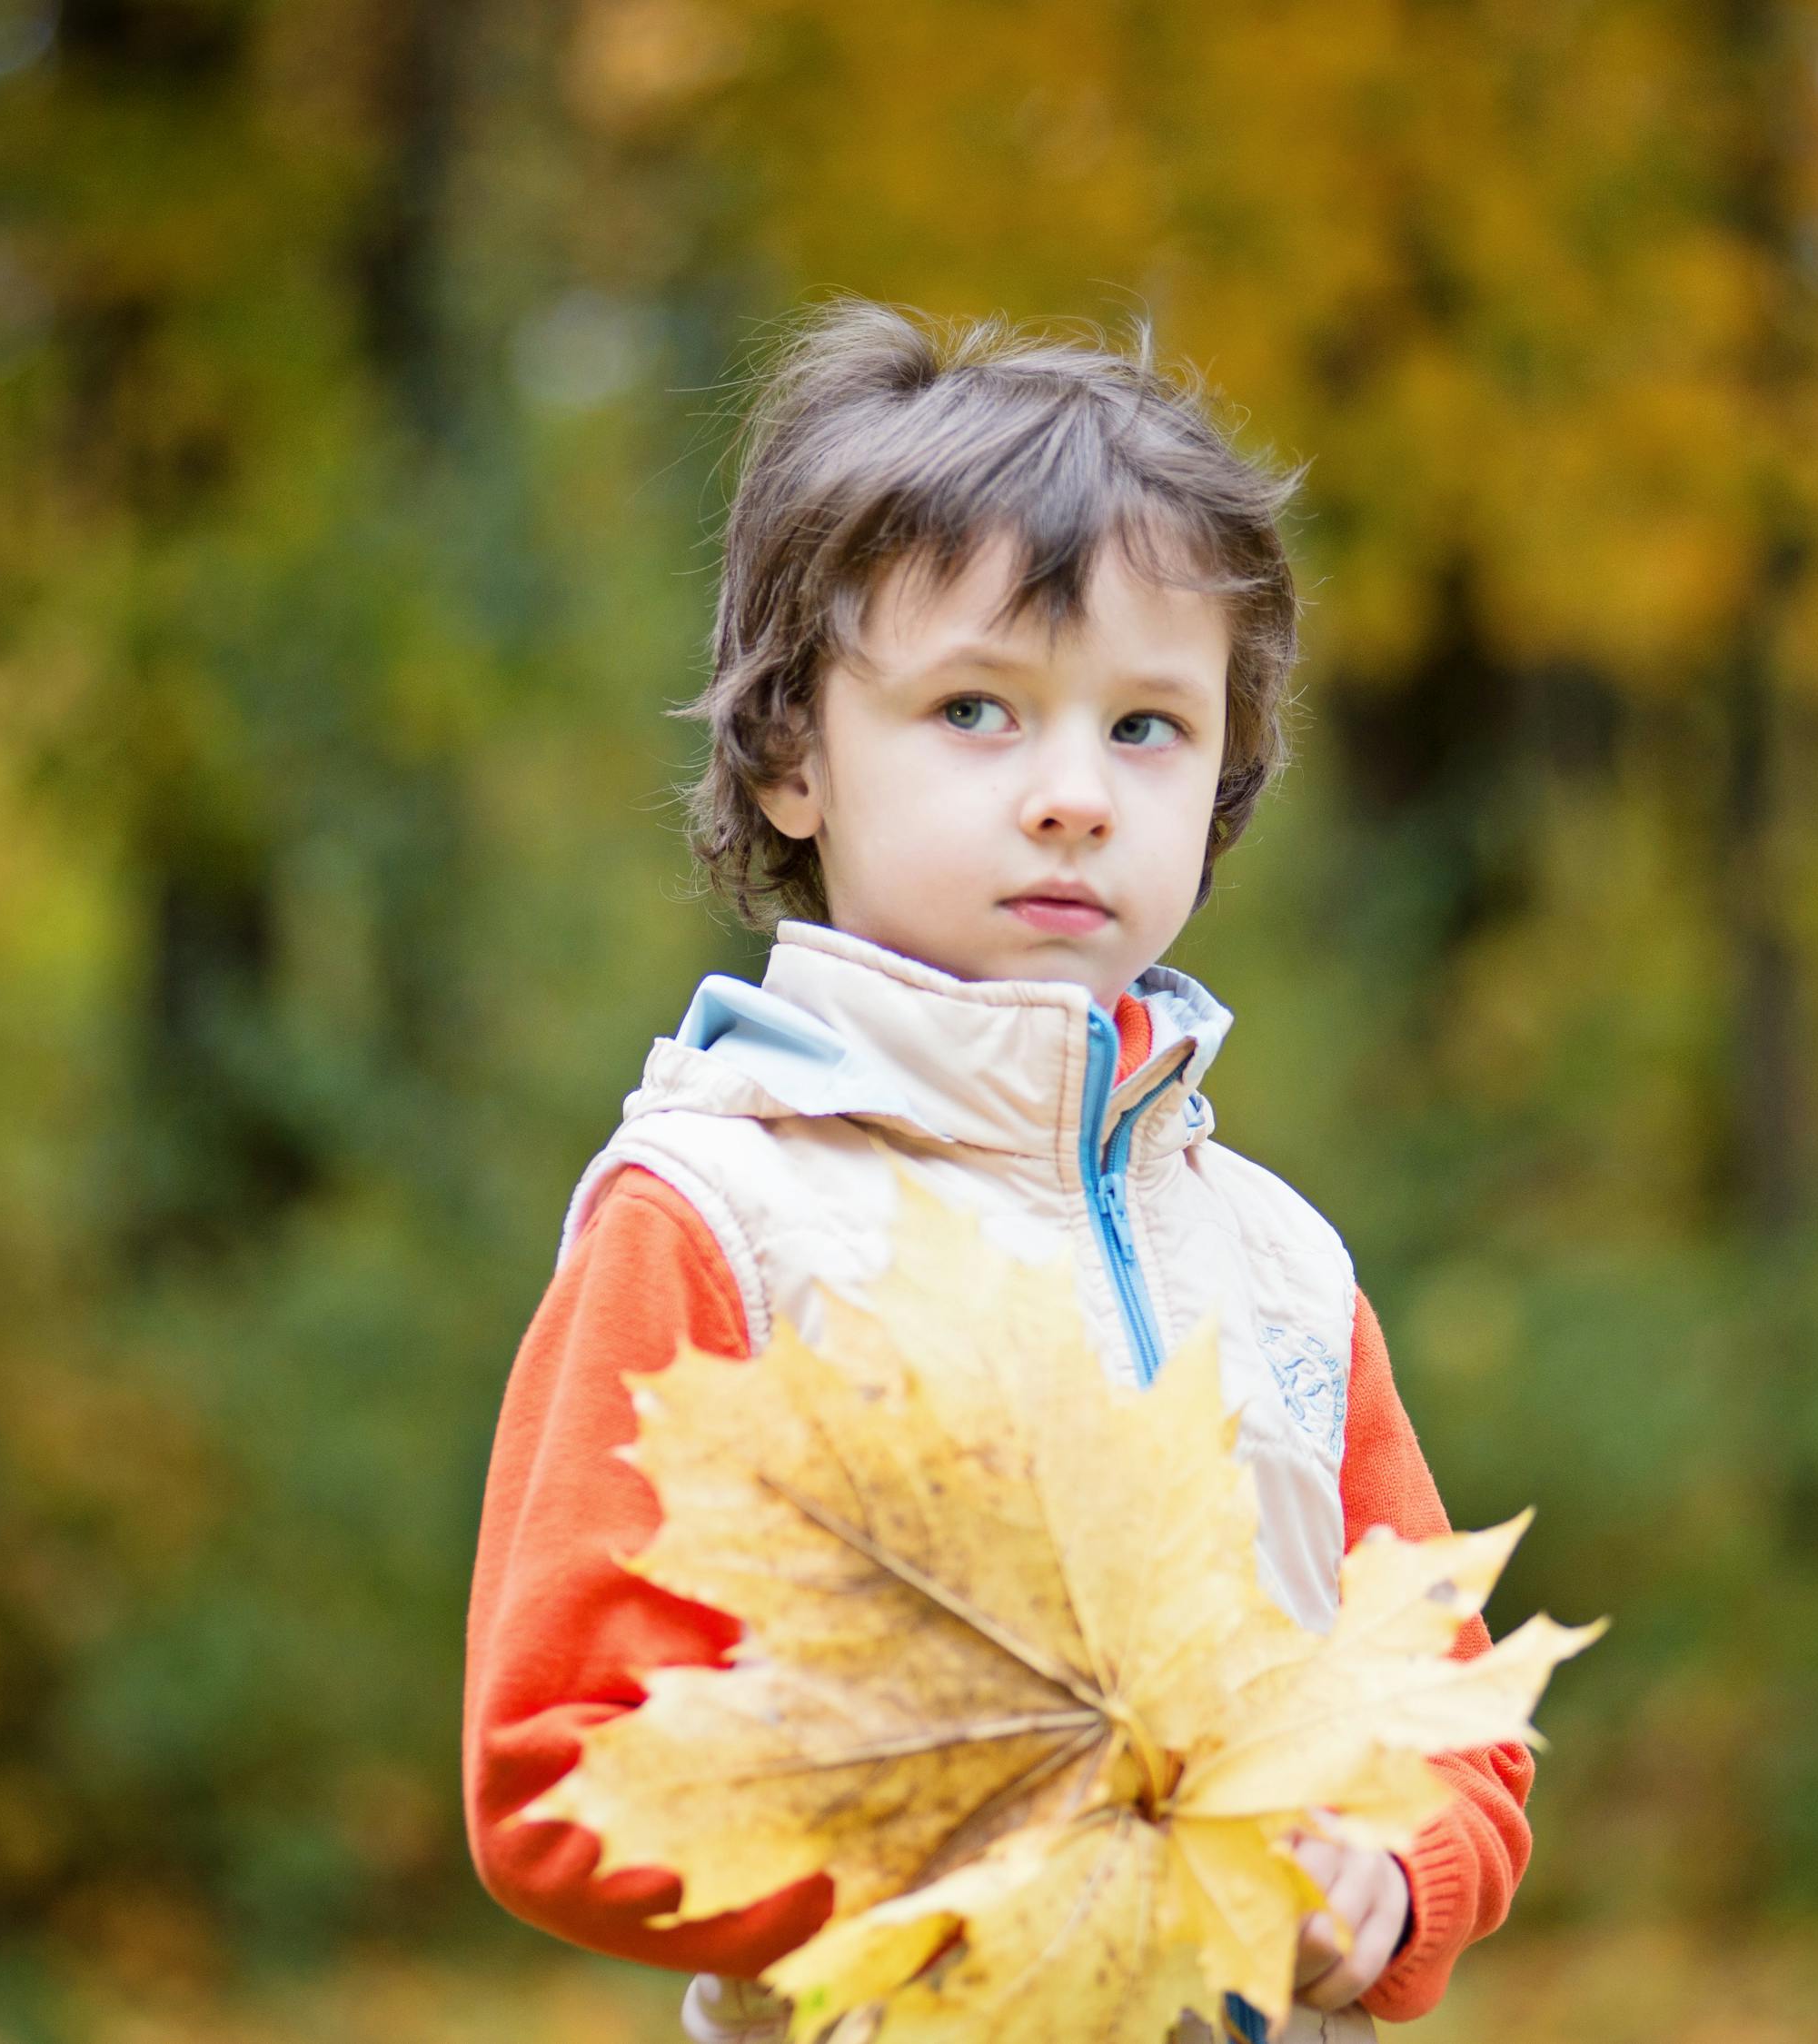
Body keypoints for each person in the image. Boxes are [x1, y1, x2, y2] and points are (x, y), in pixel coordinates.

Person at [462, 302, 1534, 2042]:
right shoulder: (723, 1216)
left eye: (1145, 727)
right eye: (977, 708)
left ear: (1224, 776)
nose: (1071, 795)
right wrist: (969, 1849)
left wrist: (1396, 1866)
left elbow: (1444, 1707)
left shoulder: (1276, 1265)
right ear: (793, 758)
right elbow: (560, 1758)